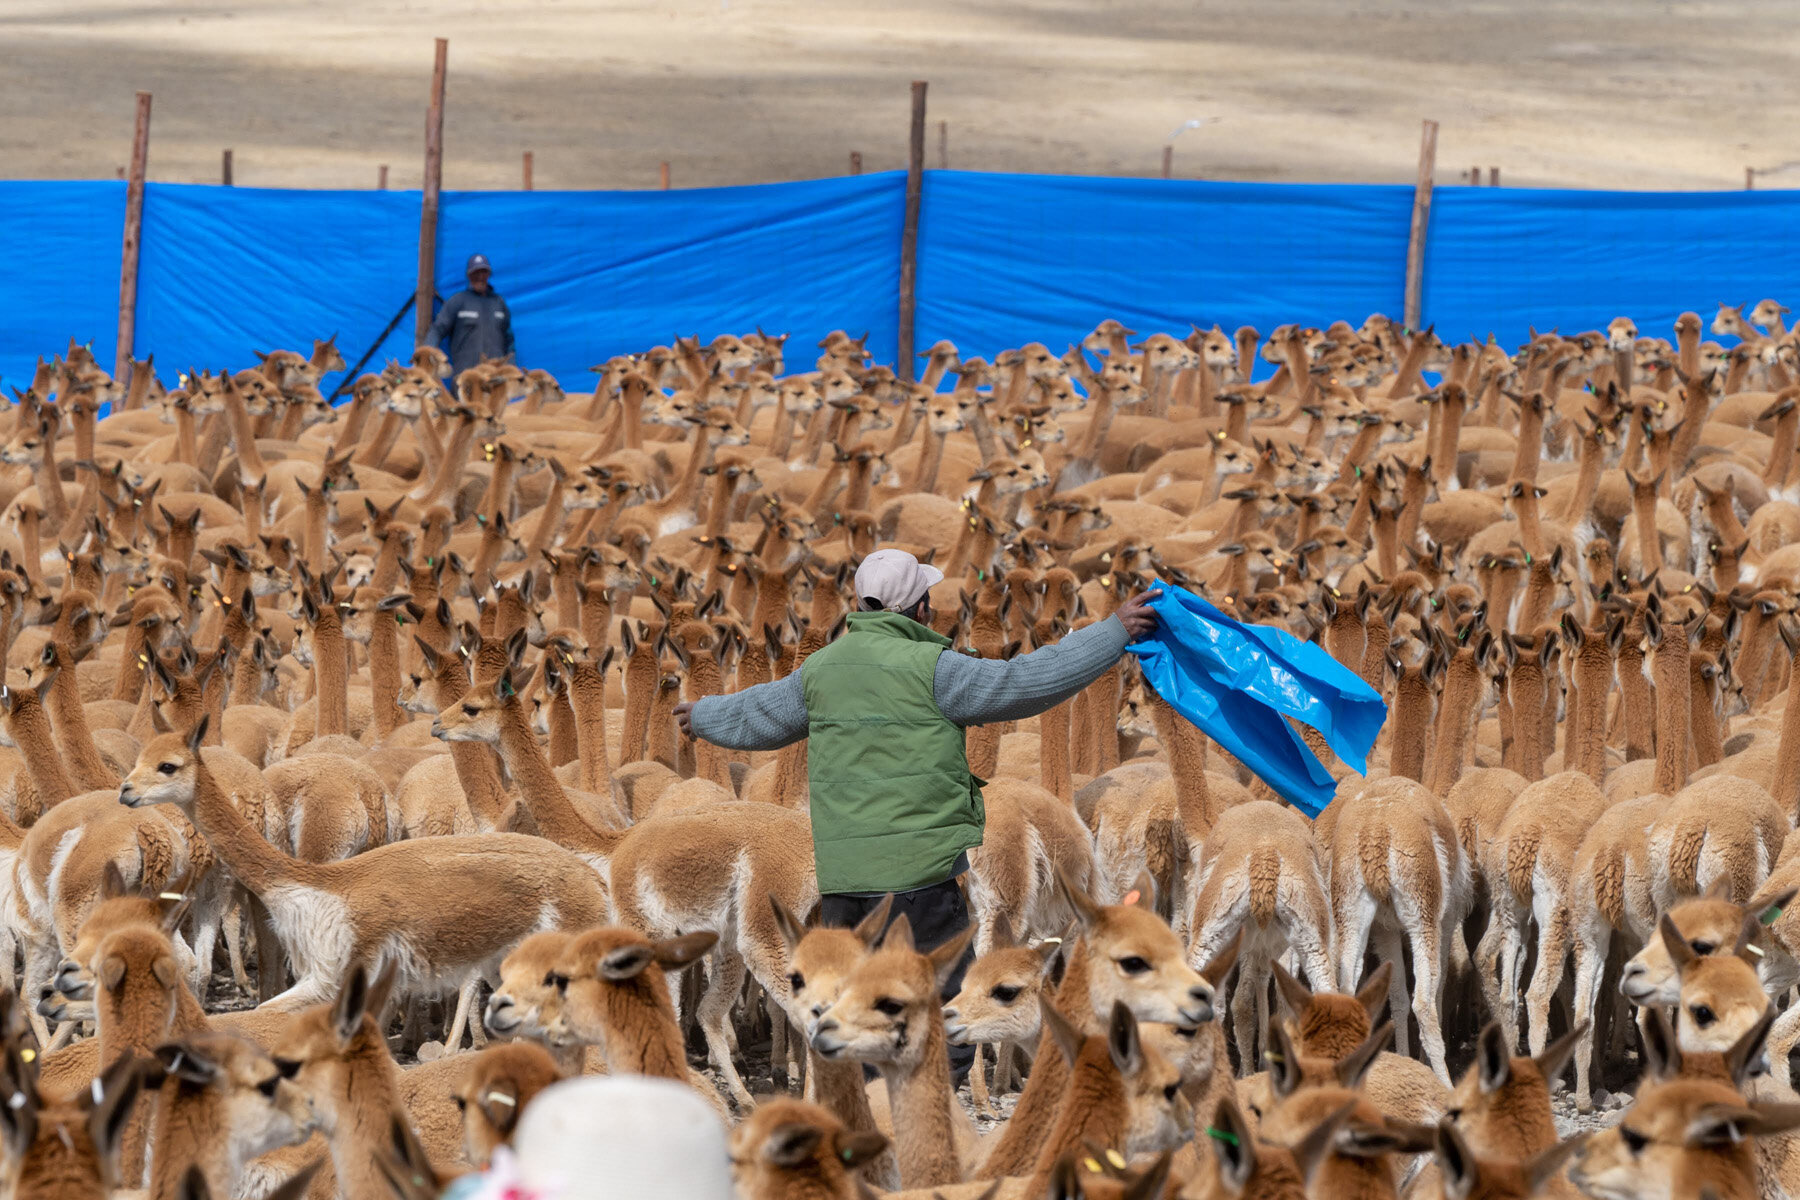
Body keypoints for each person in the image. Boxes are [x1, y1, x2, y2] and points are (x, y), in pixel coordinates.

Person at [676, 547, 1159, 1070]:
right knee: (937, 1025)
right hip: (917, 882)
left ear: (862, 604)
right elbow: (1025, 682)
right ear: (921, 610)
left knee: (860, 1019)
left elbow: (758, 713)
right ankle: (928, 1132)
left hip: (844, 885)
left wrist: (702, 714)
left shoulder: (820, 670)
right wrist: (1113, 633)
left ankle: (876, 1128)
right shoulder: (936, 669)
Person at [423, 252, 516, 377]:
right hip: (465, 380)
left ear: (489, 274)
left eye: (484, 272)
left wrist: (510, 366)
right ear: (468, 275)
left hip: (494, 380)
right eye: (475, 273)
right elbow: (437, 329)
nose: (480, 277)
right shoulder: (458, 301)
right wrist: (427, 354)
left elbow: (509, 340)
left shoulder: (499, 303)